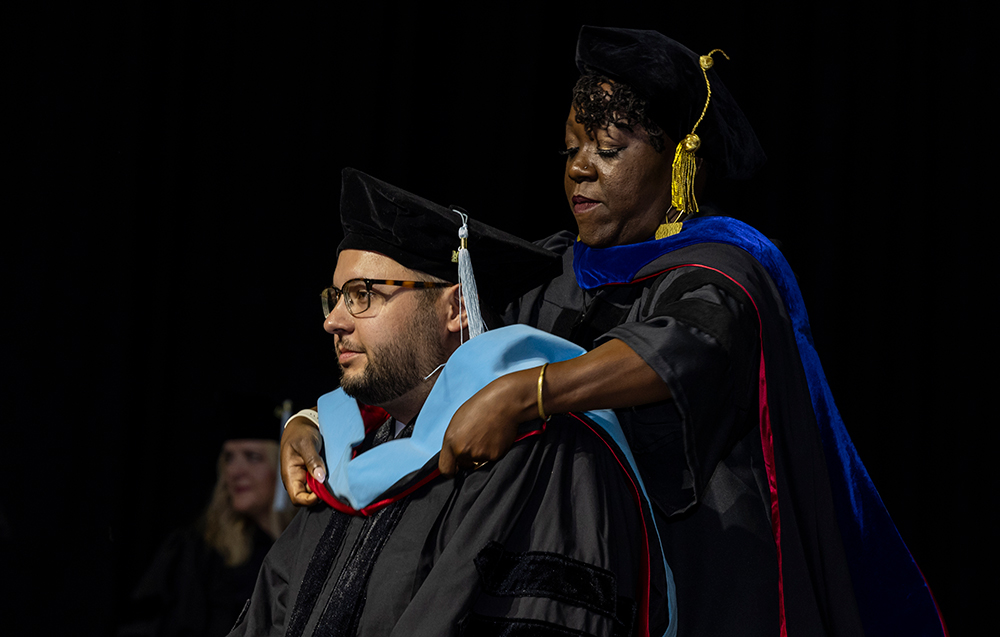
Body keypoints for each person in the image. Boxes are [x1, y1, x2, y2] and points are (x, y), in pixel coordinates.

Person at [280, 27, 948, 637]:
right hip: (572, 566)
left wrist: (527, 394)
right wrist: (321, 420)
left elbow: (679, 348)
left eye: (608, 149)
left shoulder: (725, 268)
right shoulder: (552, 271)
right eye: (571, 150)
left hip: (704, 562)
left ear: (678, 162)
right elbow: (439, 360)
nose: (579, 168)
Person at [227, 168, 672, 637]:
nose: (333, 321)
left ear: (457, 309)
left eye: (362, 295)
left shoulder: (538, 453)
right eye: (334, 298)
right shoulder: (345, 461)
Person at [120, 400, 295, 637]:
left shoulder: (302, 546)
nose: (235, 471)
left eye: (253, 457)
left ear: (284, 467)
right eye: (229, 458)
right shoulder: (195, 553)